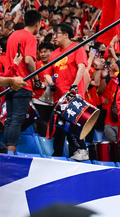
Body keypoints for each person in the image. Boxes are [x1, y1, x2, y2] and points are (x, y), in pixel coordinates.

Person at [46, 23, 89, 160]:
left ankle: (81, 150)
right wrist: (51, 83)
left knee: (72, 124)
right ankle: (57, 153)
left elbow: (81, 68)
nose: (54, 37)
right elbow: (47, 73)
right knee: (59, 126)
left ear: (66, 34)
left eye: (56, 34)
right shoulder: (54, 54)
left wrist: (75, 85)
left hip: (73, 94)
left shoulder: (77, 48)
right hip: (59, 96)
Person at [4, 9, 40, 154]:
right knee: (17, 120)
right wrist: (36, 78)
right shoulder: (30, 38)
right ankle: (10, 153)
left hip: (9, 82)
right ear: (37, 24)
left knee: (10, 119)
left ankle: (4, 152)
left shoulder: (12, 35)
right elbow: (28, 60)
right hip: (22, 83)